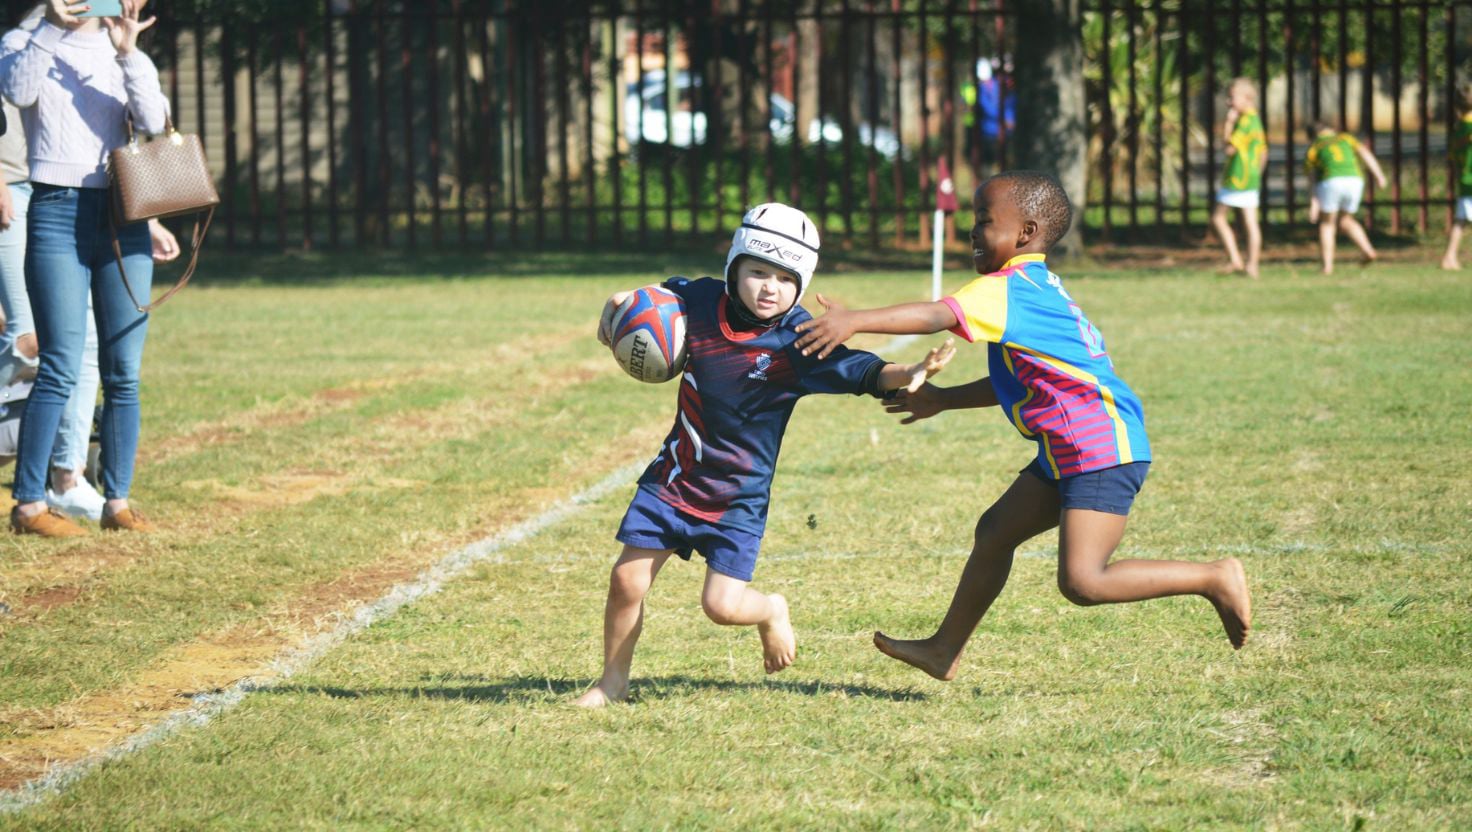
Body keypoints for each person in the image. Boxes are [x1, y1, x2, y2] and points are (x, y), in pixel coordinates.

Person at [792, 172, 1252, 682]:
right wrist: (944, 400)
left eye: (985, 221)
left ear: (1026, 232)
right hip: (1070, 448)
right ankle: (944, 650)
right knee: (995, 531)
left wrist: (855, 320)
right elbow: (1020, 382)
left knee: (1083, 582)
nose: (973, 231)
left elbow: (935, 315)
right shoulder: (1033, 287)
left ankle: (1214, 577)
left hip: (1099, 449)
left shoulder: (1009, 288)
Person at [573, 203, 956, 707]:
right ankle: (613, 681)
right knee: (627, 578)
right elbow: (655, 296)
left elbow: (862, 370)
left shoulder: (798, 341)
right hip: (674, 477)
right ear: (734, 268)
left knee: (721, 606)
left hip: (737, 500)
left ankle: (772, 609)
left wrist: (908, 373)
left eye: (785, 278)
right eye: (758, 272)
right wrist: (618, 306)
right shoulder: (702, 299)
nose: (770, 287)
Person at [1, 0, 169, 536]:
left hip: (123, 217)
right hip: (56, 209)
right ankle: (29, 505)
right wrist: (53, 27)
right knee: (59, 364)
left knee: (124, 371)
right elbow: (19, 92)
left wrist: (129, 52)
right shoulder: (23, 41)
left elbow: (153, 122)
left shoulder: (122, 48)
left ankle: (117, 502)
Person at [1305, 121, 1387, 275]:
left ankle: (1327, 267)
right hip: (1354, 180)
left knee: (1327, 224)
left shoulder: (1314, 147)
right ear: (1331, 129)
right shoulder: (1346, 138)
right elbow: (1365, 154)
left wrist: (1314, 202)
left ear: (1311, 136)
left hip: (1331, 181)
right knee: (1345, 220)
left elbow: (1311, 178)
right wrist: (1379, 176)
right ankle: (1368, 250)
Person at [1210, 78, 1267, 279]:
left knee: (1218, 218)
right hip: (1250, 177)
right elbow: (1263, 152)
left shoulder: (1244, 121)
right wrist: (1257, 174)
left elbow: (1229, 148)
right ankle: (1252, 266)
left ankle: (1236, 259)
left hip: (1237, 177)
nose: (1228, 102)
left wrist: (1228, 123)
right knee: (1251, 222)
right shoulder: (1256, 121)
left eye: (1232, 97)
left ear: (1247, 98)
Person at [1441, 84, 1472, 271]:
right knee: (1461, 221)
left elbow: (1452, 157)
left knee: (1460, 221)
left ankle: (1449, 256)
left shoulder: (1459, 128)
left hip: (1465, 180)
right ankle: (1449, 257)